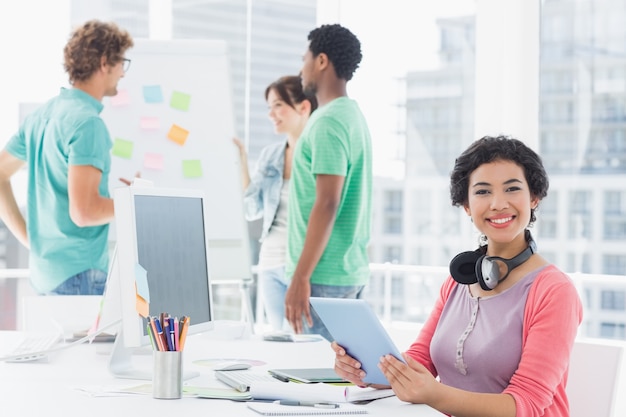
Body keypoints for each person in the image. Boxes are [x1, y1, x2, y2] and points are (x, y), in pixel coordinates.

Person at [332, 135, 583, 417]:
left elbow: (526, 405)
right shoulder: (459, 279)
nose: (498, 203)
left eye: (512, 189)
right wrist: (367, 370)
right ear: (466, 206)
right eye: (483, 192)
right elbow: (421, 360)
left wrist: (434, 393)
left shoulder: (554, 290)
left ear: (534, 197)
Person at [0, 20, 133, 296]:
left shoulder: (41, 116)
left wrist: (32, 240)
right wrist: (133, 203)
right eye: (122, 62)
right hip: (79, 276)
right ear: (106, 63)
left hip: (45, 275)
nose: (123, 72)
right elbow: (84, 212)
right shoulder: (88, 124)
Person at [285, 24, 372, 340]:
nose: (301, 68)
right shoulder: (352, 115)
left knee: (319, 382)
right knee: (342, 376)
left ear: (321, 61)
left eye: (304, 58)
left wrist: (301, 276)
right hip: (346, 270)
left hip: (323, 277)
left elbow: (327, 201)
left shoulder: (328, 121)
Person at [234, 75, 317, 331]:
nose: (272, 114)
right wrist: (242, 161)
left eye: (278, 105)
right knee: (280, 340)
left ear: (303, 107)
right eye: (269, 107)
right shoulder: (271, 155)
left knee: (306, 342)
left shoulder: (320, 153)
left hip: (303, 267)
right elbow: (251, 210)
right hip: (270, 263)